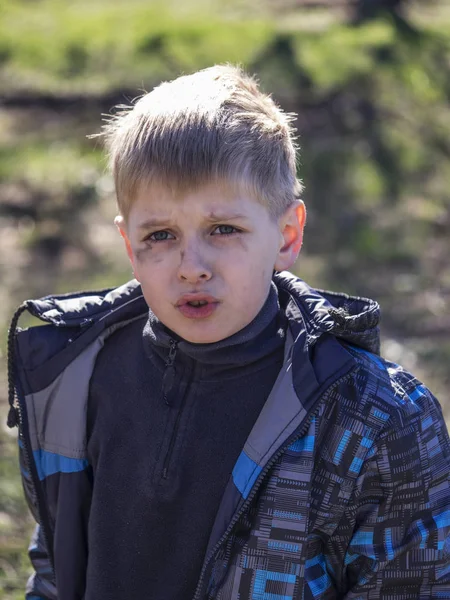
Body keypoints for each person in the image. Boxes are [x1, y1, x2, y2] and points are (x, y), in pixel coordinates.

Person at [7, 64, 450, 600]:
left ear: (287, 235)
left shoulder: (375, 418)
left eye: (223, 229)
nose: (191, 265)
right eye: (161, 234)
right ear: (130, 246)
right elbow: (56, 558)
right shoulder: (76, 375)